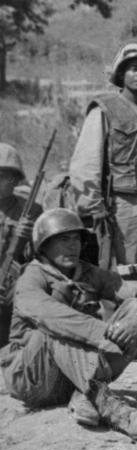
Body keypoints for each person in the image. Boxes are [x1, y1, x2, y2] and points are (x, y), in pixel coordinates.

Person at [0, 208, 137, 438]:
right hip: (33, 378)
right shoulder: (31, 278)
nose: (72, 246)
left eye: (76, 239)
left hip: (74, 373)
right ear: (43, 246)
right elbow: (51, 316)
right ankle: (111, 408)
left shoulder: (88, 273)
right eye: (63, 239)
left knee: (135, 309)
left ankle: (84, 394)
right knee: (53, 330)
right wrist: (106, 332)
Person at [69, 43, 137, 275]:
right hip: (121, 204)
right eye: (134, 69)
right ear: (121, 74)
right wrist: (93, 205)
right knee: (122, 268)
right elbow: (86, 162)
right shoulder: (105, 109)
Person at [0, 143, 42, 347]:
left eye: (3, 176)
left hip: (13, 284)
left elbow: (43, 257)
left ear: (15, 180)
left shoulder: (31, 210)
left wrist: (31, 236)